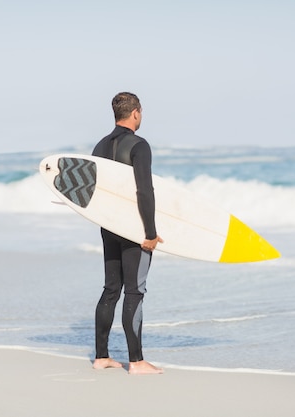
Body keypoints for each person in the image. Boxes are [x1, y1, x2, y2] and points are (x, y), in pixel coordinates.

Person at [91, 92, 164, 375]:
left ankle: (102, 357)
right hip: (134, 229)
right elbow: (144, 190)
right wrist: (151, 233)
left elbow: (95, 192)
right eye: (141, 113)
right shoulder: (139, 145)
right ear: (135, 113)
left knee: (111, 289)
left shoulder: (99, 146)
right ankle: (136, 361)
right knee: (135, 291)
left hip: (108, 226)